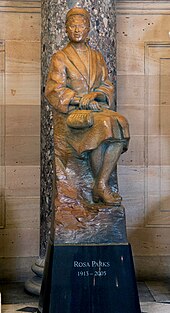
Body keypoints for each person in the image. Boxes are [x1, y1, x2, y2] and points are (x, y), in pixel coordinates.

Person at [45, 7, 130, 205]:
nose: (77, 30)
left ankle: (100, 183)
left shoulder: (97, 56)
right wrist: (78, 99)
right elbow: (53, 90)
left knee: (120, 123)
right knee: (104, 126)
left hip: (96, 110)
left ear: (88, 29)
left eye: (81, 26)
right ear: (66, 29)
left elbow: (107, 85)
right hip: (73, 114)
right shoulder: (60, 57)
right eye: (72, 26)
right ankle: (101, 186)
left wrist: (96, 95)